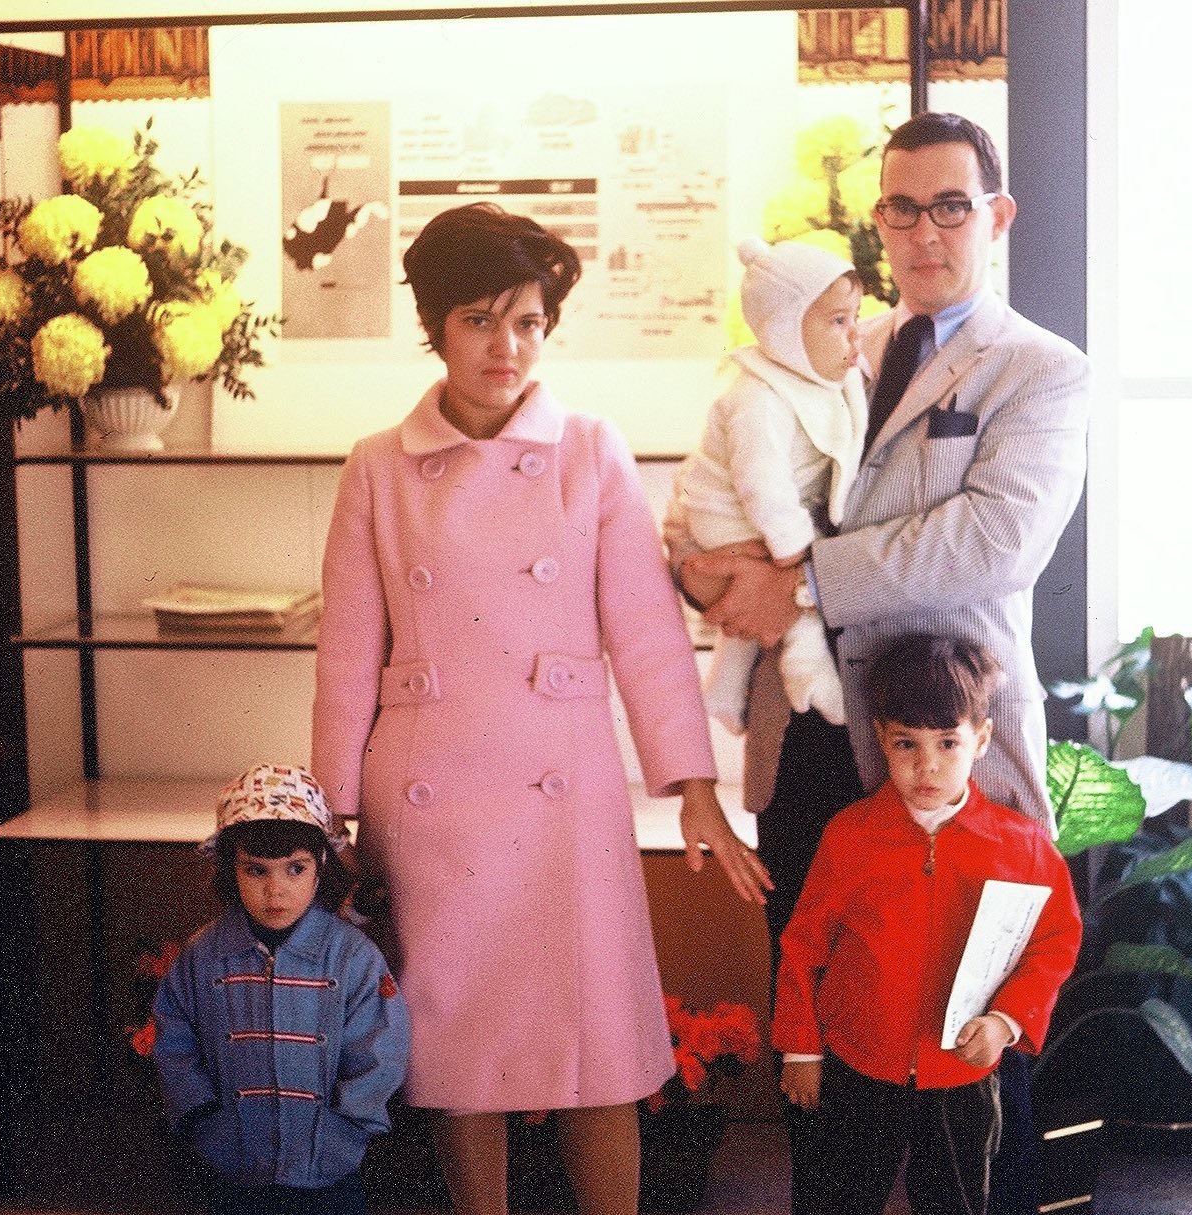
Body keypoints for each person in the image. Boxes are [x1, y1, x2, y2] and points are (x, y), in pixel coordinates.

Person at [310, 202, 771, 1215]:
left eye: (527, 321)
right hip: (430, 792)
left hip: (562, 789)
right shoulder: (377, 467)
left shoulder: (590, 452)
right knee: (455, 1054)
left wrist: (693, 789)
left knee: (595, 1053)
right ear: (435, 326)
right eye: (480, 320)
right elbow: (346, 656)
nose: (507, 347)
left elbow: (647, 636)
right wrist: (327, 814)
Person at [669, 111, 1091, 1214]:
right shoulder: (832, 344)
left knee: (976, 1079)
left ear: (995, 217)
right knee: (826, 1063)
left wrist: (803, 582)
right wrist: (703, 565)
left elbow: (994, 541)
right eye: (900, 208)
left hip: (949, 746)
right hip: (808, 739)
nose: (922, 231)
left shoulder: (1042, 370)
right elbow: (739, 481)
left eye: (950, 205)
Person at [772, 635, 1081, 1215]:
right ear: (880, 741)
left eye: (948, 743)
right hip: (857, 1062)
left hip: (962, 1068)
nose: (927, 765)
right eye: (905, 744)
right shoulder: (851, 836)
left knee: (959, 1202)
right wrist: (801, 1050)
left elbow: (1056, 939)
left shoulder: (1021, 846)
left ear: (982, 739)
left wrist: (1009, 1021)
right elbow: (804, 944)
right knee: (836, 1198)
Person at [151, 763, 409, 1215]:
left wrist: (346, 1128)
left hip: (330, 1165)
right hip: (229, 1163)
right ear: (230, 868)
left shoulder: (354, 958)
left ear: (320, 864)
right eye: (256, 871)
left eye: (294, 869)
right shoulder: (201, 955)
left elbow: (381, 1048)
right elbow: (173, 1041)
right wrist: (202, 1118)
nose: (276, 892)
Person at [670, 235, 867, 733]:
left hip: (754, 516)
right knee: (790, 601)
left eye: (855, 318)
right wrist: (794, 548)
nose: (855, 336)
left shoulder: (826, 380)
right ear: (785, 331)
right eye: (838, 321)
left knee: (753, 600)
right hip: (728, 514)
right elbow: (761, 481)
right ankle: (806, 666)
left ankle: (724, 688)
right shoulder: (758, 396)